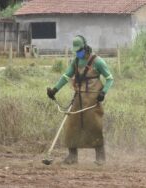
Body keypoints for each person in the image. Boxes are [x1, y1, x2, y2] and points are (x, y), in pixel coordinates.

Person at [47, 35, 113, 165]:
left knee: (94, 126)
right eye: (76, 51)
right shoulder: (76, 61)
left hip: (93, 99)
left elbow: (110, 78)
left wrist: (103, 92)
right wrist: (54, 90)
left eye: (80, 50)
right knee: (71, 125)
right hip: (78, 98)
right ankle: (72, 156)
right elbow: (66, 76)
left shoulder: (98, 61)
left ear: (85, 47)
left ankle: (100, 157)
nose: (78, 53)